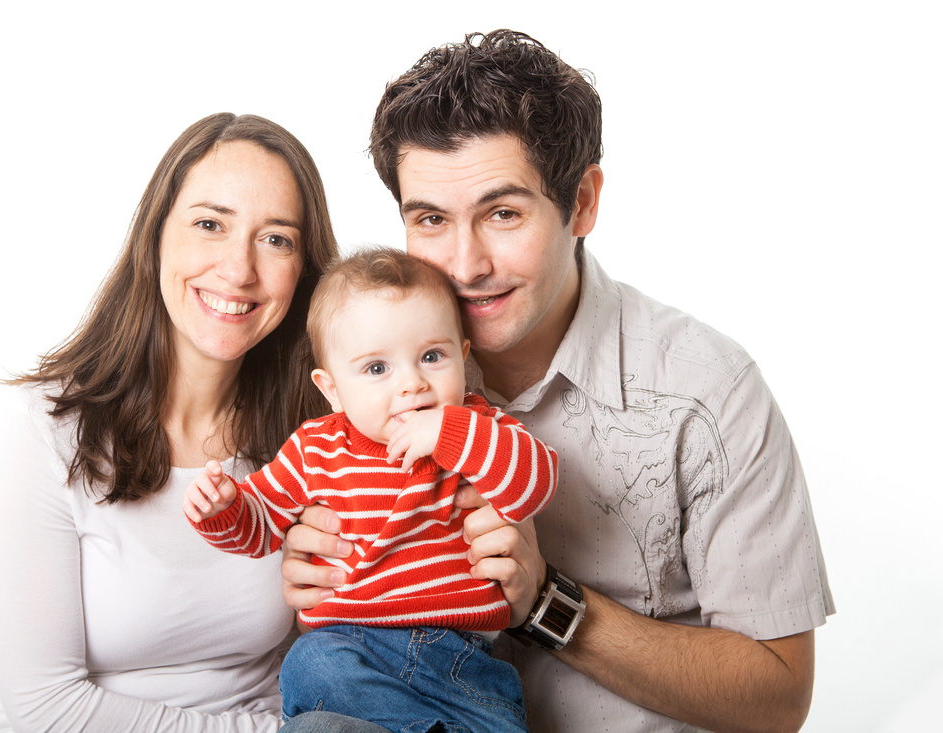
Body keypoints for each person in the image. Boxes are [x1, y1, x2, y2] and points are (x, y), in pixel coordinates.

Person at [282, 30, 835, 732]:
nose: (465, 263)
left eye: (503, 213)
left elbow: (779, 697)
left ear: (582, 202)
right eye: (430, 219)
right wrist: (313, 570)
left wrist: (545, 601)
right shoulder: (372, 375)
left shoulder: (706, 394)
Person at [0, 112, 337, 732]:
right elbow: (46, 710)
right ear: (156, 236)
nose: (239, 270)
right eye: (209, 225)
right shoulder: (45, 434)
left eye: (276, 239)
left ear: (304, 269)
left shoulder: (311, 441)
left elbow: (319, 663)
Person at [184, 248, 558, 733]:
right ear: (332, 388)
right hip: (349, 647)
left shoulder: (475, 427)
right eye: (377, 368)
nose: (412, 384)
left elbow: (536, 482)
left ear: (463, 357)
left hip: (457, 658)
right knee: (307, 666)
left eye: (431, 356)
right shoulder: (317, 448)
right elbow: (260, 528)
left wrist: (452, 434)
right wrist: (224, 508)